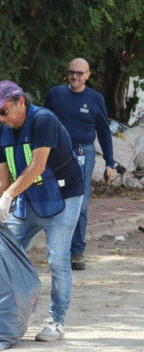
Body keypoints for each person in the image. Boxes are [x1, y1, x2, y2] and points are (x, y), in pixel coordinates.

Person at [0, 80, 85, 342]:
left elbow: (36, 167)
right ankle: (1, 315)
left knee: (58, 260)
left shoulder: (44, 121)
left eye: (4, 111)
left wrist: (8, 197)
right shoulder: (2, 134)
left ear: (21, 102)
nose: (0, 118)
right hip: (30, 199)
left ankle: (57, 321)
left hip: (64, 197)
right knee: (2, 255)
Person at [44, 58, 115, 271]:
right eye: (71, 72)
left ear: (87, 75)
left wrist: (110, 163)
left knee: (80, 202)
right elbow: (43, 121)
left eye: (79, 73)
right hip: (58, 153)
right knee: (58, 198)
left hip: (84, 152)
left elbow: (104, 131)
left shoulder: (95, 99)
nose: (75, 77)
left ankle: (77, 251)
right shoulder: (56, 94)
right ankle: (58, 250)